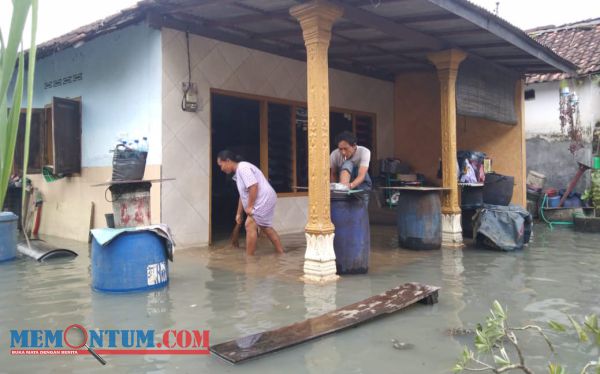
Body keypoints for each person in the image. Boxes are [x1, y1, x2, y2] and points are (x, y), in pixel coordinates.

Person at [216, 150, 284, 255]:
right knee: (265, 227)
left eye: (221, 165)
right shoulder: (238, 173)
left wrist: (250, 206)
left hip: (263, 198)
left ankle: (249, 258)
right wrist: (239, 213)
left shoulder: (243, 167)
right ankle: (281, 253)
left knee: (249, 225)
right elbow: (242, 195)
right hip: (263, 198)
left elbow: (253, 186)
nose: (221, 169)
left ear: (228, 161)